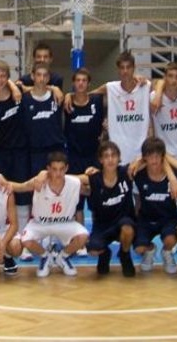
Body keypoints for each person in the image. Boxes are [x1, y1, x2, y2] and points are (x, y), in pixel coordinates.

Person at [0, 60, 31, 260]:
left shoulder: (18, 93)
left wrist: (14, 86)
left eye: (3, 76)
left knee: (22, 196)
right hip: (0, 154)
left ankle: (23, 242)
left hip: (20, 152)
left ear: (8, 77)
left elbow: (39, 87)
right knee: (0, 197)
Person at [14, 152, 88, 278]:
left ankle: (62, 257)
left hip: (65, 223)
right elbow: (20, 187)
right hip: (40, 224)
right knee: (25, 240)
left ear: (66, 168)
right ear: (48, 169)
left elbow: (91, 185)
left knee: (83, 236)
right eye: (54, 169)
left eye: (61, 169)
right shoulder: (38, 182)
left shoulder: (75, 183)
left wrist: (95, 173)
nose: (58, 173)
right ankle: (45, 256)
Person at [64, 67, 104, 247]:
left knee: (95, 200)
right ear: (73, 83)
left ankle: (97, 235)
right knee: (77, 202)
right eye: (77, 80)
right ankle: (80, 238)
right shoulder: (66, 104)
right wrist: (67, 95)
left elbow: (111, 89)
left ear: (89, 83)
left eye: (84, 80)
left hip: (94, 156)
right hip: (74, 157)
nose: (80, 83)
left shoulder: (97, 101)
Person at [83, 141, 136, 277]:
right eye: (106, 156)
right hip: (103, 226)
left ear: (119, 158)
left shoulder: (126, 173)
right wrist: (46, 175)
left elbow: (144, 159)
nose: (110, 159)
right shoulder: (94, 178)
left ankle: (125, 255)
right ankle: (105, 253)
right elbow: (71, 179)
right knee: (93, 249)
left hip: (123, 222)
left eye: (113, 155)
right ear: (100, 160)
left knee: (128, 229)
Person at [132, 137, 177, 275]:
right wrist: (135, 223)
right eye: (150, 156)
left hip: (168, 219)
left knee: (170, 239)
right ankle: (150, 249)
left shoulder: (174, 177)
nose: (154, 160)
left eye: (157, 156)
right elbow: (137, 201)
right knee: (139, 248)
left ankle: (166, 252)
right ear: (144, 158)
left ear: (162, 157)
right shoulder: (138, 175)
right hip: (146, 219)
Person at [99, 50, 151, 167]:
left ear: (134, 68)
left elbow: (164, 84)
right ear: (118, 70)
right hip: (118, 155)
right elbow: (86, 95)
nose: (125, 71)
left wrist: (158, 93)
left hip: (141, 155)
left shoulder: (145, 86)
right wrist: (69, 95)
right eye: (122, 68)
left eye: (128, 67)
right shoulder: (110, 88)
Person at [22, 63, 65, 177]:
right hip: (34, 152)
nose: (42, 79)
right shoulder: (24, 99)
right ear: (32, 76)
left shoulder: (58, 97)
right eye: (38, 75)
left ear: (49, 78)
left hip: (55, 150)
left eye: (45, 75)